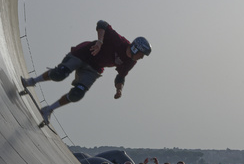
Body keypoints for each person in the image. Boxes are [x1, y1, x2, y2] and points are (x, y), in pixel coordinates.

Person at [21, 20, 151, 124]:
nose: (141, 58)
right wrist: (100, 41)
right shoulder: (119, 42)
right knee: (59, 74)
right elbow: (102, 24)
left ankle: (48, 110)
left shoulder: (131, 62)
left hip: (94, 69)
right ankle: (32, 81)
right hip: (83, 54)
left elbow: (120, 77)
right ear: (135, 49)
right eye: (141, 54)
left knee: (77, 93)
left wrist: (119, 89)